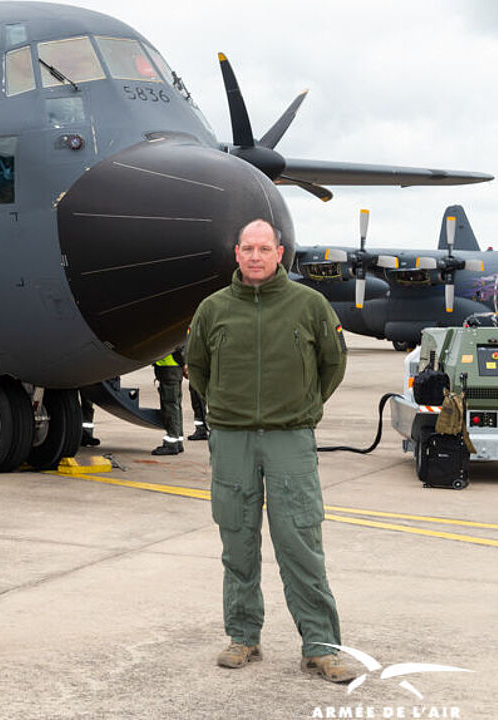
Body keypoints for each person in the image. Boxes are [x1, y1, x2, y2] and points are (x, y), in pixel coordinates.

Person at [186, 219, 359, 683]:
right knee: (237, 542)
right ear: (236, 254)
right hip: (232, 440)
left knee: (301, 542)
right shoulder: (213, 309)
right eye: (248, 249)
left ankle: (321, 645)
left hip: (290, 439)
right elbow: (196, 367)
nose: (257, 256)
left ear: (279, 253)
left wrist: (303, 406)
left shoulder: (310, 305)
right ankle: (243, 637)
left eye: (265, 248)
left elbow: (332, 363)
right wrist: (227, 408)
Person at [151, 350, 184, 455]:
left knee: (170, 406)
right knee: (175, 405)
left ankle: (171, 443)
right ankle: (177, 441)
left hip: (169, 369)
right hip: (173, 369)